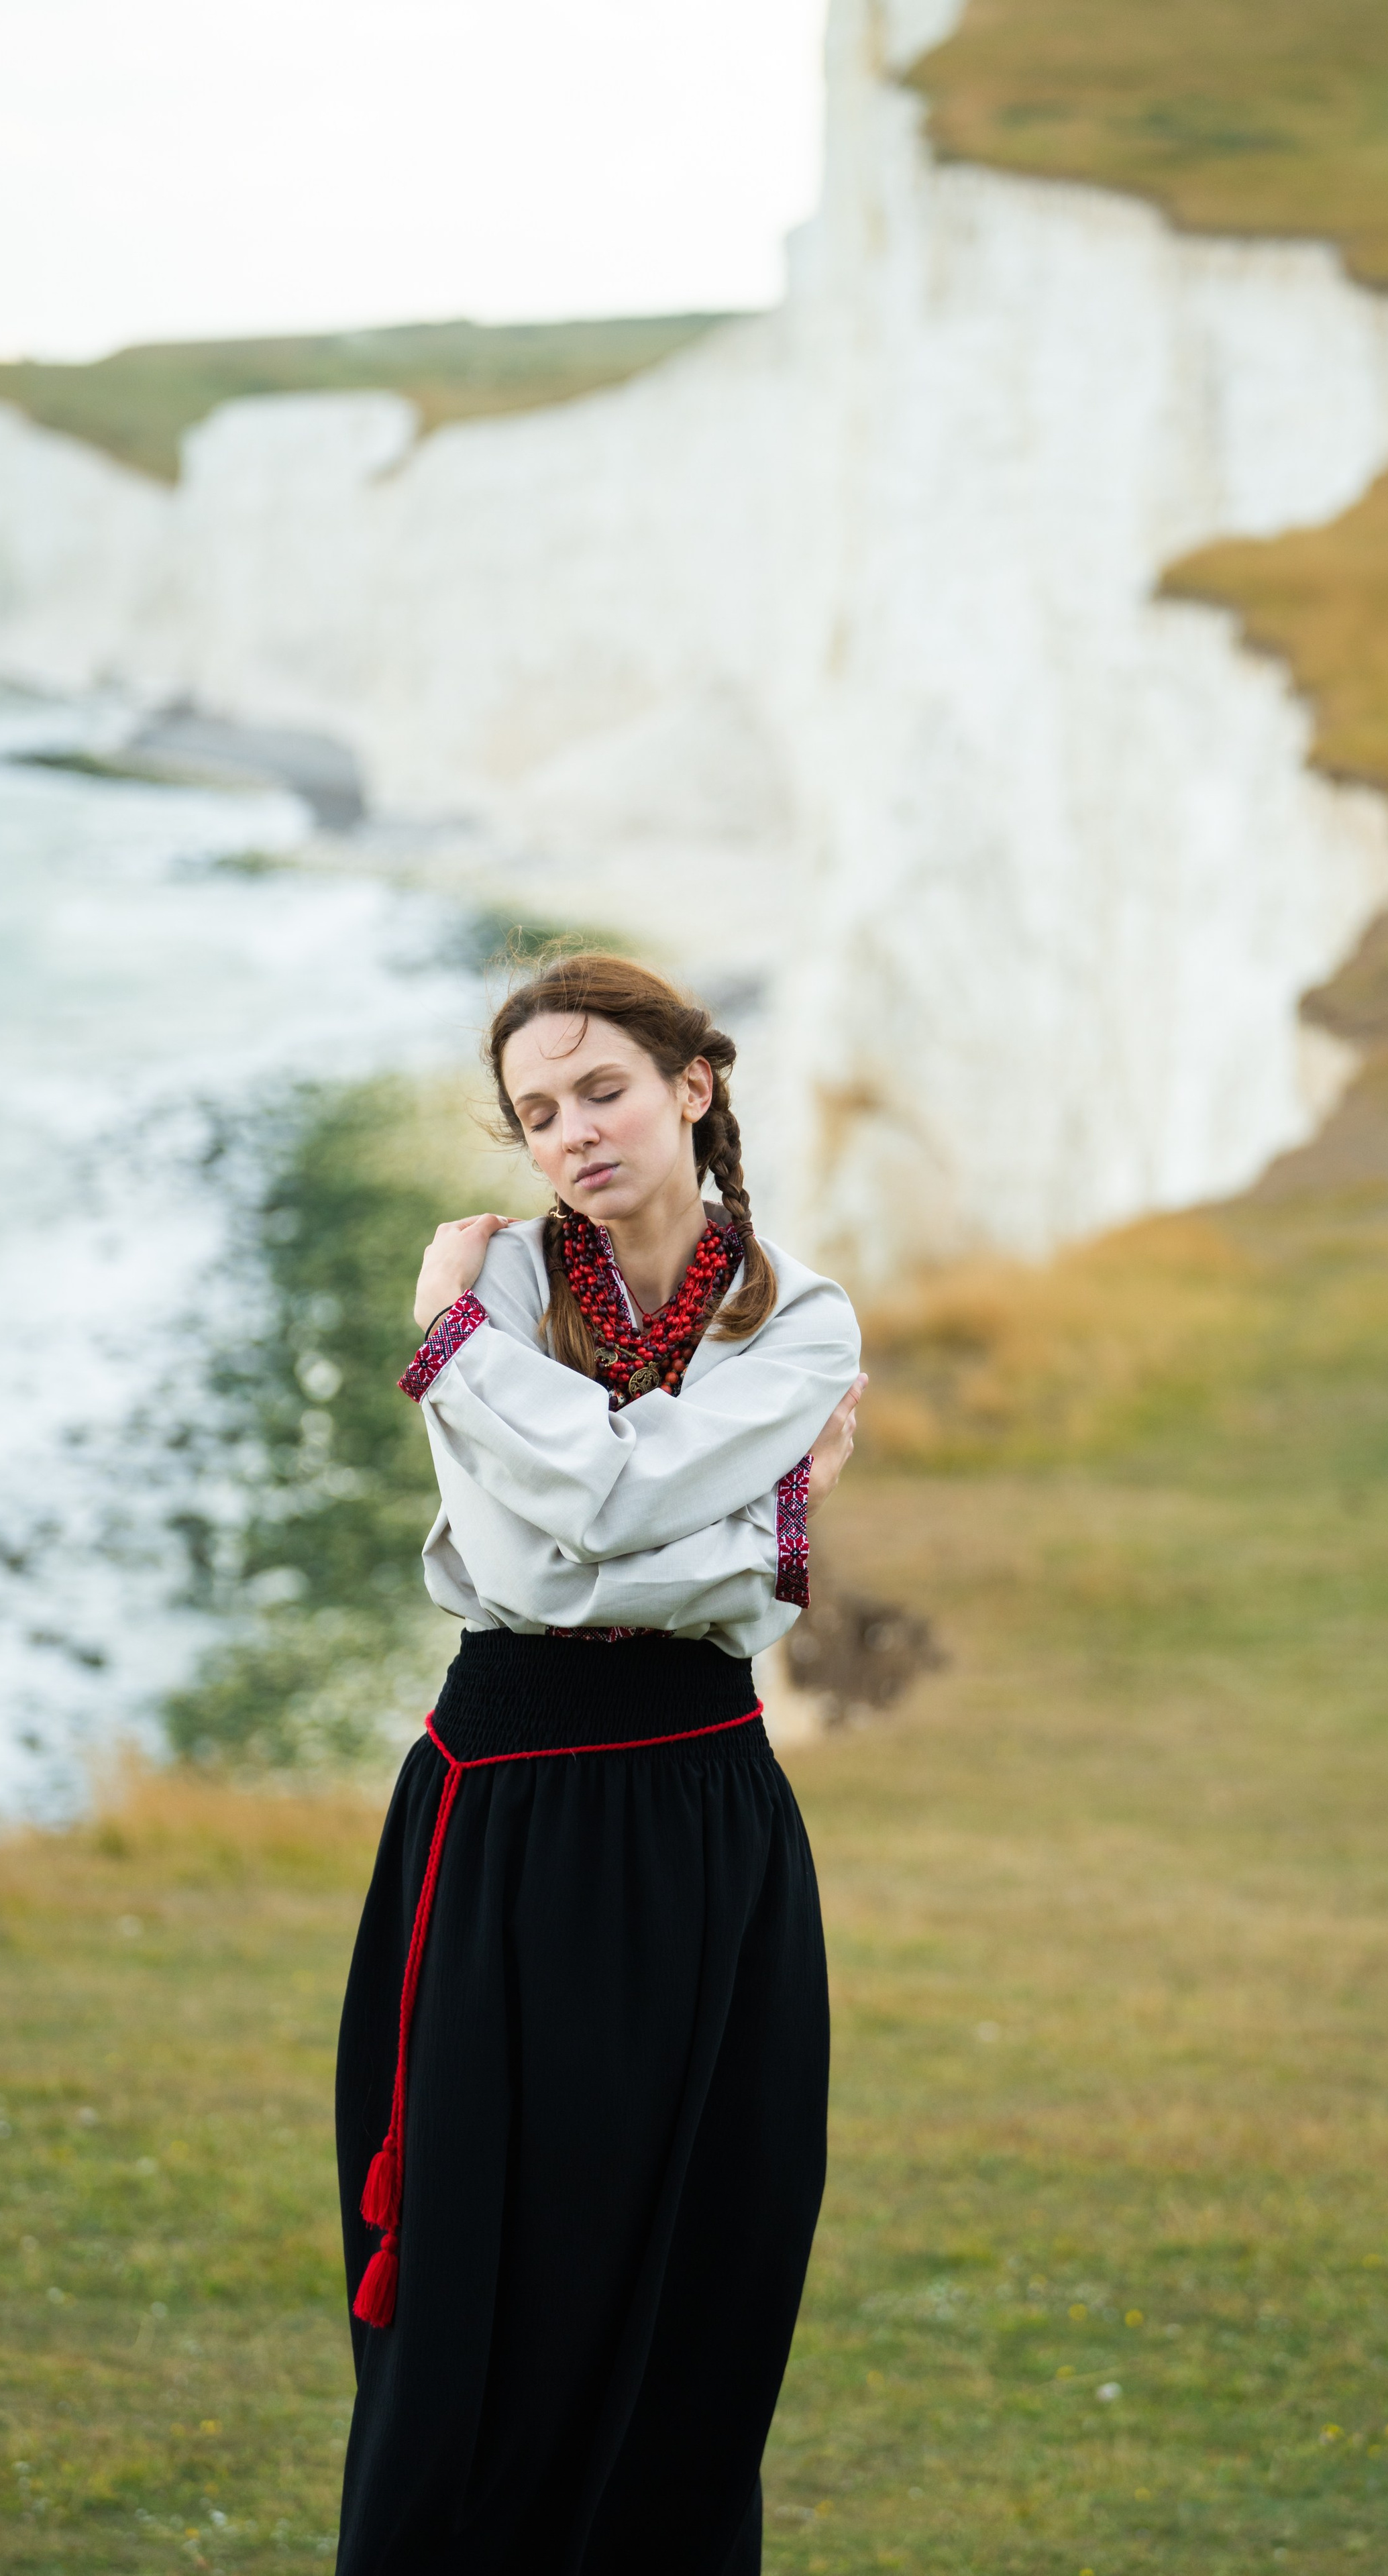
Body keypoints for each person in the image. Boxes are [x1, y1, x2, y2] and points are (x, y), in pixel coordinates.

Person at [334, 951, 866, 2576]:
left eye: (602, 1089)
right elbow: (561, 1545)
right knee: (485, 2259)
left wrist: (470, 1375)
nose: (571, 1130)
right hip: (502, 1802)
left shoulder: (806, 1316)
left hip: (708, 1814)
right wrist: (764, 1526)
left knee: (706, 2252)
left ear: (692, 1086)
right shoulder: (488, 1283)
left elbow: (605, 1516)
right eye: (536, 1112)